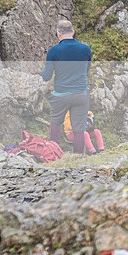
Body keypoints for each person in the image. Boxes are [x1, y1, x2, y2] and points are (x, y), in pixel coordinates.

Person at [41, 19, 92, 154]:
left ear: (58, 33)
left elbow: (46, 76)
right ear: (73, 32)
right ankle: (77, 158)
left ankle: (53, 153)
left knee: (56, 123)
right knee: (79, 129)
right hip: (81, 94)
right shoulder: (85, 49)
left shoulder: (54, 51)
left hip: (61, 95)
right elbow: (86, 70)